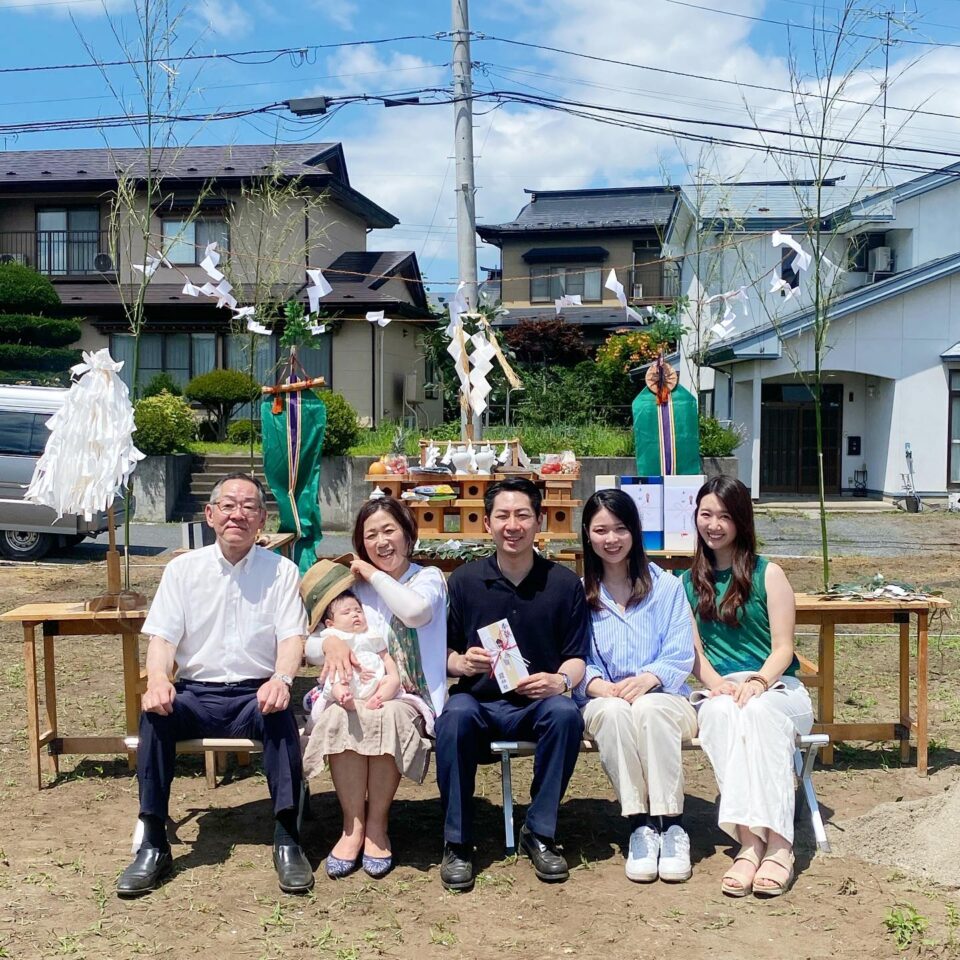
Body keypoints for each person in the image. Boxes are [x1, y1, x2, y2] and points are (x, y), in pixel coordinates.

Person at [117, 473, 312, 898]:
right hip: (195, 694)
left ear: (262, 519)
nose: (237, 514)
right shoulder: (182, 570)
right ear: (210, 515)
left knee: (279, 711)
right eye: (228, 505)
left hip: (253, 693)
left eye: (248, 507)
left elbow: (292, 638)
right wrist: (156, 681)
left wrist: (281, 678)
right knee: (154, 714)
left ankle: (287, 839)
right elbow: (163, 639)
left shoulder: (282, 571)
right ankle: (152, 842)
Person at [437, 477, 590, 892]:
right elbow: (445, 656)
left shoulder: (563, 584)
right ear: (487, 523)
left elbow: (578, 658)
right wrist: (462, 662)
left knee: (565, 715)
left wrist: (560, 681)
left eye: (522, 515)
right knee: (452, 719)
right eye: (502, 515)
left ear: (538, 521)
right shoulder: (465, 581)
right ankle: (457, 842)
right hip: (479, 702)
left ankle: (540, 832)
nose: (513, 524)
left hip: (536, 705)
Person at [301, 497, 447, 880]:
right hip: (352, 690)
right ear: (360, 542)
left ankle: (378, 824)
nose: (381, 542)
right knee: (340, 713)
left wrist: (372, 573)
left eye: (389, 531)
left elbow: (414, 612)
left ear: (408, 534)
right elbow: (312, 643)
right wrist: (330, 643)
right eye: (370, 535)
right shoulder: (353, 591)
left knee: (388, 713)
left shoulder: (428, 578)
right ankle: (353, 826)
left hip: (409, 693)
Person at [682, 475, 813, 898]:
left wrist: (758, 681)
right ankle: (748, 840)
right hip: (721, 689)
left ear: (740, 520)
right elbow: (696, 652)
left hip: (777, 688)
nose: (714, 524)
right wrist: (718, 685)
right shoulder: (687, 583)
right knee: (720, 714)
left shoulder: (768, 573)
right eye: (706, 514)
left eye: (723, 515)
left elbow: (783, 648)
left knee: (756, 713)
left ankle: (779, 844)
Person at [575, 489, 698, 883]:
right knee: (612, 712)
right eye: (601, 530)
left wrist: (650, 678)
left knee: (649, 707)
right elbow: (580, 659)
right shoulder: (580, 595)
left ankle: (672, 824)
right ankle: (640, 826)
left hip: (665, 698)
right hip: (604, 699)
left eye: (620, 528)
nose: (611, 539)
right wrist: (599, 687)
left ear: (635, 532)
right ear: (588, 535)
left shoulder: (667, 587)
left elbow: (681, 654)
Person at [302, 591, 400, 717]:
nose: (354, 615)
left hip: (375, 679)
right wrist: (358, 670)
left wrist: (393, 675)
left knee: (392, 682)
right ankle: (346, 699)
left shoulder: (372, 634)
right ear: (330, 624)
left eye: (358, 611)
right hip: (348, 677)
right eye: (346, 612)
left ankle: (375, 699)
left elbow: (386, 657)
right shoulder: (334, 635)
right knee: (335, 681)